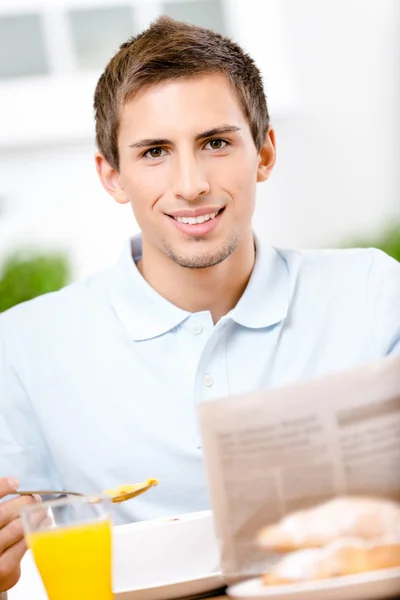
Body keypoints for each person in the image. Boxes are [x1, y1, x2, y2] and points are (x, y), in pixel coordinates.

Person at [0, 16, 399, 591]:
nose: (190, 184)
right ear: (112, 177)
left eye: (215, 143)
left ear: (263, 153)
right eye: (155, 151)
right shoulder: (23, 347)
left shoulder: (373, 294)